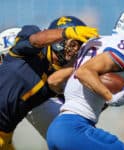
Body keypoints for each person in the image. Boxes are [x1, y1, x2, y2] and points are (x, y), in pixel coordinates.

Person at [46, 9, 124, 150]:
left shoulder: (99, 42)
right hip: (75, 128)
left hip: (58, 128)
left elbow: (53, 81)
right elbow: (84, 72)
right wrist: (110, 97)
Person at [0, 16, 99, 150]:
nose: (75, 49)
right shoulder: (30, 44)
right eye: (73, 42)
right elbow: (36, 40)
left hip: (5, 133)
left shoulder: (63, 74)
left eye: (79, 45)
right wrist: (68, 32)